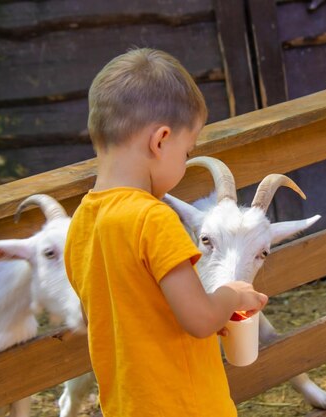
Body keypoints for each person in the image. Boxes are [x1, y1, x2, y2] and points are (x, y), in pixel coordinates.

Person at [64, 48, 268, 417]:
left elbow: (113, 313)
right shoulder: (153, 219)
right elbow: (200, 319)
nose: (185, 163)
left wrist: (211, 311)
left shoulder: (82, 223)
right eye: (186, 151)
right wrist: (232, 296)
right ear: (160, 141)